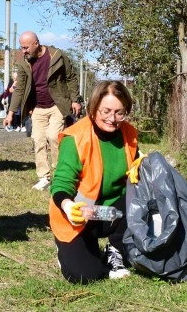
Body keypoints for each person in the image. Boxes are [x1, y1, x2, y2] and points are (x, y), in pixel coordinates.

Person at [49, 80, 139, 284]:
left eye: (119, 112)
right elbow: (61, 184)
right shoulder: (76, 137)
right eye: (105, 111)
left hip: (111, 213)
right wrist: (68, 205)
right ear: (93, 108)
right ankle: (73, 245)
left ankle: (115, 249)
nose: (112, 118)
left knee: (139, 194)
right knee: (86, 274)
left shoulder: (130, 134)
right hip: (79, 214)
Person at [3, 31, 81, 190]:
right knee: (38, 139)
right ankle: (44, 177)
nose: (23, 51)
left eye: (26, 47)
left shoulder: (57, 56)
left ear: (36, 44)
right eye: (21, 47)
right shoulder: (24, 62)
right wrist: (10, 113)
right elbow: (19, 89)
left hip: (57, 105)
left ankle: (60, 174)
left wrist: (75, 100)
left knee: (53, 136)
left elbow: (71, 77)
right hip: (37, 107)